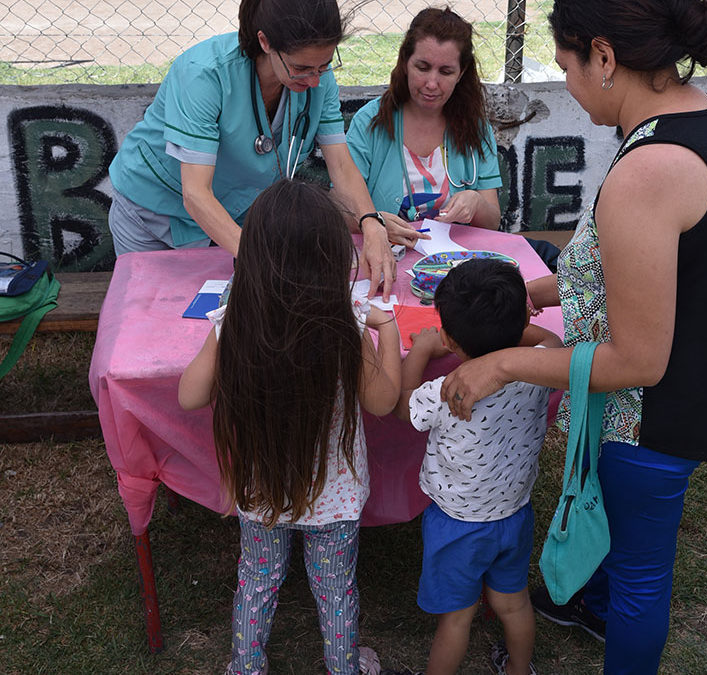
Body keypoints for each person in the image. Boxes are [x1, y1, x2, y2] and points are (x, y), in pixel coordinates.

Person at [439, 1, 707, 673]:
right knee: (615, 535)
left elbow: (639, 360)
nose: (565, 83)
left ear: (602, 56)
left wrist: (503, 364)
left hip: (656, 417)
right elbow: (651, 269)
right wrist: (533, 292)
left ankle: (609, 620)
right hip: (686, 384)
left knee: (640, 580)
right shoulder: (694, 118)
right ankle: (579, 596)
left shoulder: (647, 171)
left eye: (564, 67)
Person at [178, 179, 401, 674]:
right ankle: (343, 666)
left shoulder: (237, 319)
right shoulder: (348, 322)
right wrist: (386, 330)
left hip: (262, 491)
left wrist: (221, 331)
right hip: (335, 499)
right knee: (335, 589)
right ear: (331, 258)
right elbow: (383, 401)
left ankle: (245, 666)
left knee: (257, 579)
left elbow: (188, 395)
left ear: (254, 254)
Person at [108, 0, 414, 299]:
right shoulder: (204, 74)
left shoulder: (318, 79)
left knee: (220, 320)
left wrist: (371, 224)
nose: (315, 80)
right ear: (265, 42)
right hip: (152, 214)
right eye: (301, 68)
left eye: (325, 65)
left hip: (229, 218)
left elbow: (342, 167)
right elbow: (196, 194)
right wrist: (262, 260)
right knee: (151, 315)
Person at [389, 259, 562, 675]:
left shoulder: (449, 390)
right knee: (513, 602)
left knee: (458, 617)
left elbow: (401, 407)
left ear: (449, 337)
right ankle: (519, 669)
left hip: (458, 524)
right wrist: (514, 325)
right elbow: (554, 341)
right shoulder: (539, 367)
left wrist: (423, 350)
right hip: (514, 513)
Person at [346, 7, 503, 236]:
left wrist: (476, 202)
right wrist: (374, 221)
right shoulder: (369, 122)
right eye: (422, 67)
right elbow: (341, 210)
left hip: (456, 263)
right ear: (405, 62)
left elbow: (492, 223)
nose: (432, 83)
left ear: (461, 73)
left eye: (446, 72)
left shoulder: (476, 128)